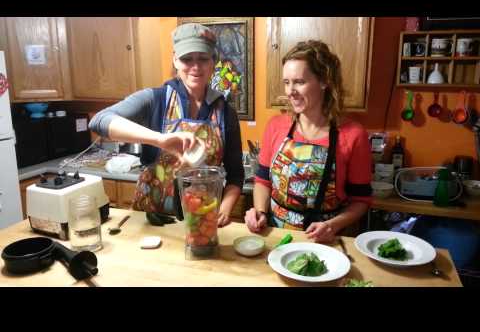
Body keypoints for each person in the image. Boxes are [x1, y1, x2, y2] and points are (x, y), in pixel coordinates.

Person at [89, 23, 244, 227]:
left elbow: (235, 175)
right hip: (151, 220)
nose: (195, 67)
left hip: (201, 220)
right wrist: (159, 139)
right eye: (187, 59)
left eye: (203, 59)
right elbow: (99, 121)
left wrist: (223, 210)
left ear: (213, 62)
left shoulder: (225, 113)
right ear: (175, 60)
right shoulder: (155, 100)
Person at [244, 40, 372, 243]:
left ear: (324, 81)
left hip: (325, 241)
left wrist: (333, 225)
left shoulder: (353, 134)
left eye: (299, 82)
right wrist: (259, 212)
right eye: (286, 82)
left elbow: (361, 201)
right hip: (276, 237)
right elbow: (262, 181)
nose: (290, 91)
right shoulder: (276, 126)